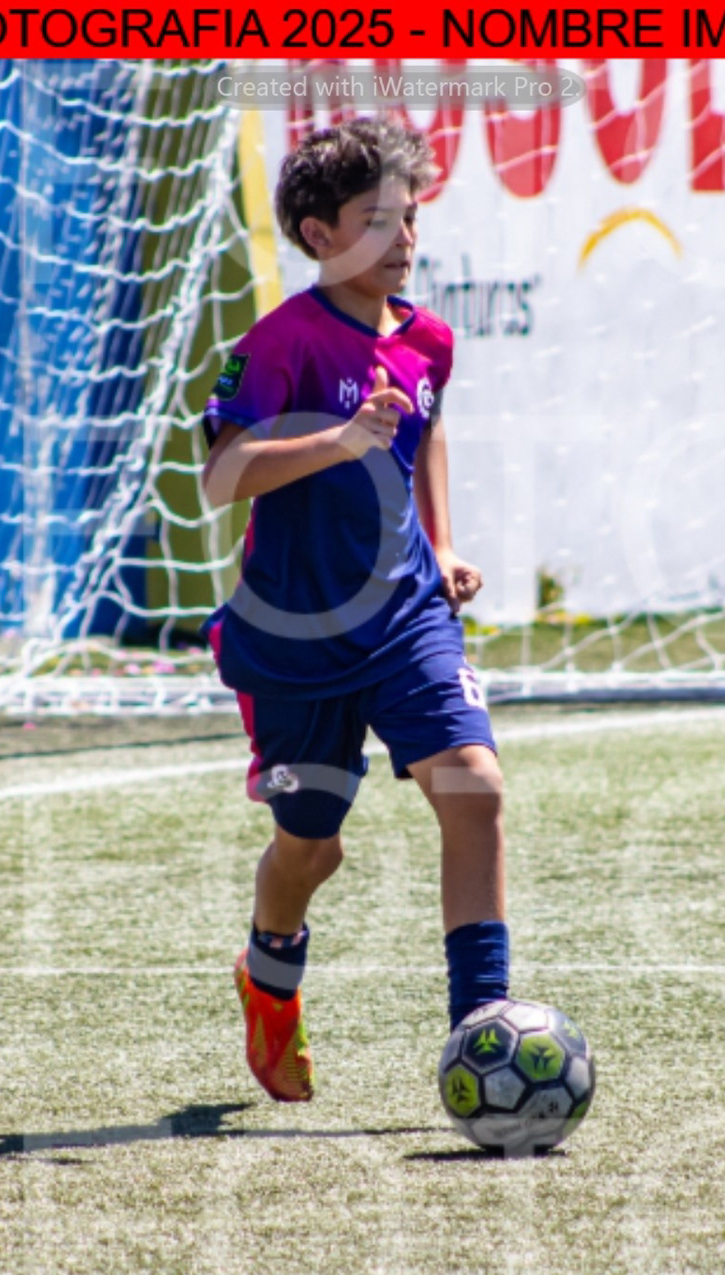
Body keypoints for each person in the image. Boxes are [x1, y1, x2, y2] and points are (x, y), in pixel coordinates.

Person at [198, 117, 509, 1104]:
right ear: (317, 233)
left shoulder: (428, 340)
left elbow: (424, 431)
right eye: (377, 220)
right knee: (311, 847)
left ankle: (483, 1028)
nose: (404, 238)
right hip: (293, 643)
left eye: (409, 217)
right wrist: (338, 439)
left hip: (408, 616)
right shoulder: (276, 344)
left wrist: (443, 543)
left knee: (473, 786)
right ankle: (269, 973)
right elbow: (221, 476)